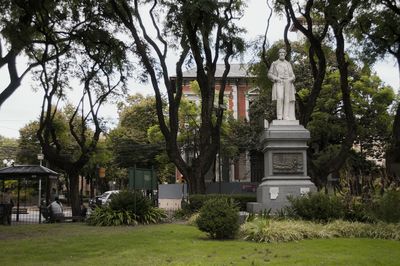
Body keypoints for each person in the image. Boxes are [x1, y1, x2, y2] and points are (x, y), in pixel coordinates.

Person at [268, 48, 296, 120]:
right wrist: (276, 79)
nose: (282, 54)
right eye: (280, 53)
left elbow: (293, 75)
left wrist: (291, 79)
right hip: (279, 82)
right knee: (280, 98)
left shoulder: (288, 64)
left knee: (287, 99)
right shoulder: (274, 63)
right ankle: (279, 116)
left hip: (287, 82)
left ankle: (286, 116)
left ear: (285, 55)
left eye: (283, 53)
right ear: (278, 55)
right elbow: (269, 74)